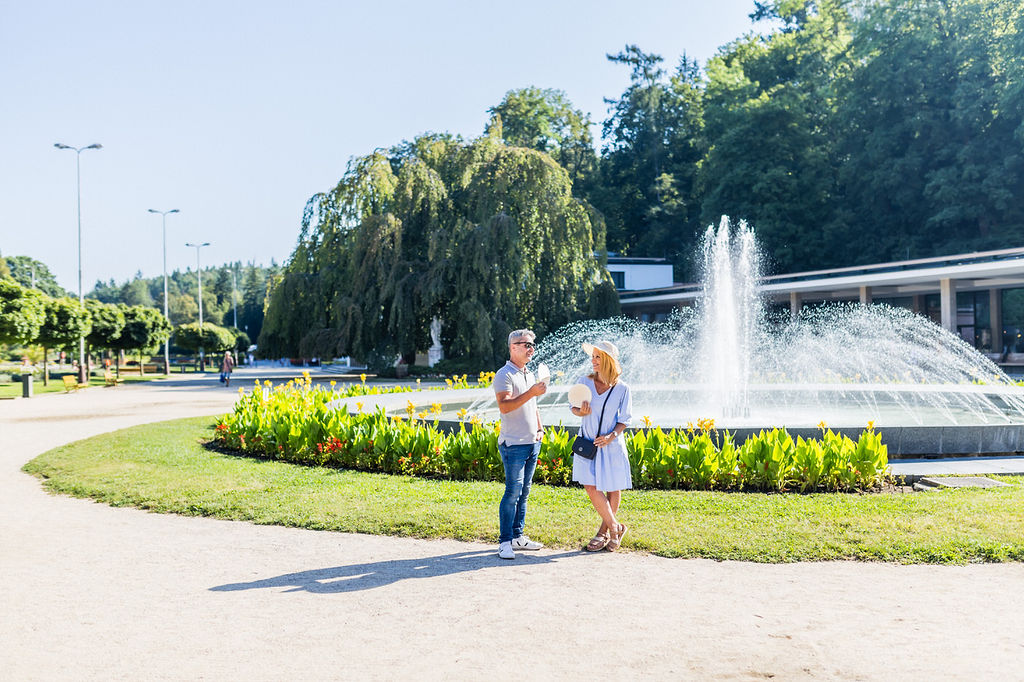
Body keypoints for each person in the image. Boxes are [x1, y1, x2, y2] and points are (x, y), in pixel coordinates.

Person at [570, 340, 633, 552]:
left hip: (610, 445)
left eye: (598, 357)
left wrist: (610, 436)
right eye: (593, 356)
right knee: (590, 486)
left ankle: (603, 532)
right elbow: (573, 408)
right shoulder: (584, 382)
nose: (593, 360)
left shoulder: (622, 389)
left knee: (612, 487)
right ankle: (616, 527)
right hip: (587, 444)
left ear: (608, 360)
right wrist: (580, 412)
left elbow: (625, 420)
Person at [493, 329, 548, 560]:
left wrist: (540, 428)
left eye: (532, 344)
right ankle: (505, 541)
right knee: (512, 492)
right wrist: (532, 392)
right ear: (513, 347)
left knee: (524, 492)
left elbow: (533, 406)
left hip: (532, 442)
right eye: (526, 344)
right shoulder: (503, 374)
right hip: (513, 444)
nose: (531, 348)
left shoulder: (529, 373)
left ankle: (518, 536)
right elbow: (505, 406)